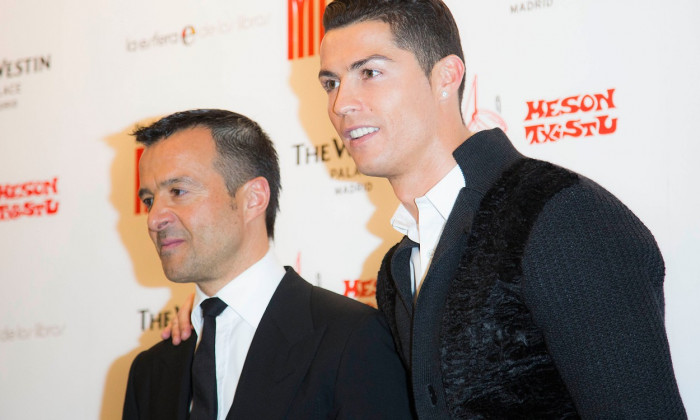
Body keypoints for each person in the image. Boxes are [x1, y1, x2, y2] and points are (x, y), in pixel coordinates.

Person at [166, 1, 687, 418]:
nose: (340, 103)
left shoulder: (557, 216)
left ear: (446, 77)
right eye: (331, 81)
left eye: (369, 72)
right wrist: (220, 330)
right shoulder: (398, 268)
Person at [122, 109, 412, 419]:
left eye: (178, 192)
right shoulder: (151, 372)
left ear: (253, 198)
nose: (154, 219)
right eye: (149, 200)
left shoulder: (351, 341)